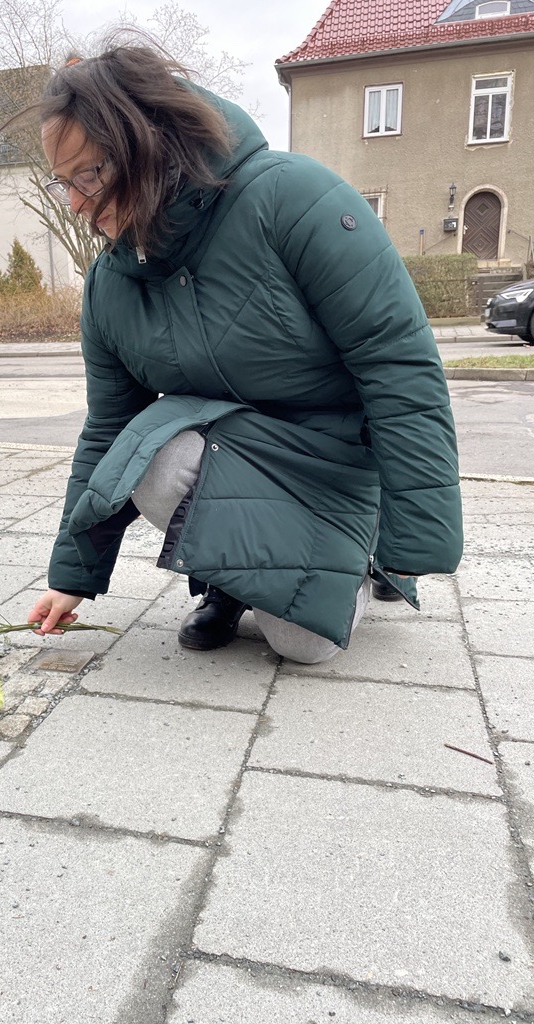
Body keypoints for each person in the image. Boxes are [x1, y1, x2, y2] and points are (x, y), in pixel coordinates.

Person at [25, 42, 463, 664]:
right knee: (152, 450)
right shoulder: (109, 283)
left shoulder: (294, 198)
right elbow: (108, 429)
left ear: (150, 146)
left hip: (333, 463)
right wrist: (72, 574)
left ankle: (362, 562)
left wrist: (413, 539)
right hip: (241, 465)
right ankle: (233, 583)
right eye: (61, 181)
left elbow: (397, 365)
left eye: (89, 175)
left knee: (306, 648)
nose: (74, 203)